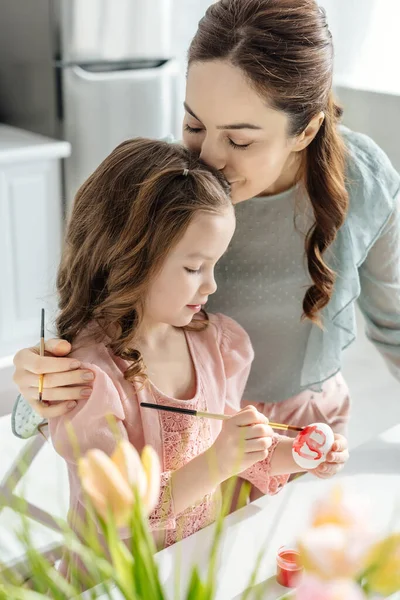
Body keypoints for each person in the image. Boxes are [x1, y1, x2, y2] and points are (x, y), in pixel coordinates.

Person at [13, 0, 400, 475]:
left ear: (308, 129)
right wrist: (44, 380)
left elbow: (394, 319)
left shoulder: (365, 179)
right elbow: (96, 317)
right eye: (194, 125)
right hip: (190, 439)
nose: (210, 159)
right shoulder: (172, 196)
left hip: (304, 429)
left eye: (240, 140)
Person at [46, 137, 335, 570]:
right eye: (193, 267)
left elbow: (234, 451)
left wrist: (297, 454)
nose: (211, 285)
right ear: (129, 255)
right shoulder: (89, 377)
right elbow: (117, 511)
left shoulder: (216, 343)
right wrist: (219, 461)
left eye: (215, 264)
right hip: (119, 580)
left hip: (194, 567)